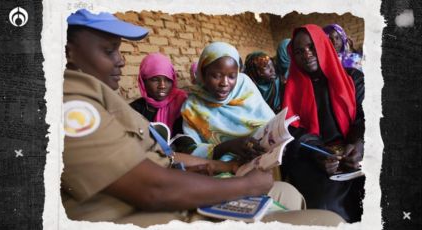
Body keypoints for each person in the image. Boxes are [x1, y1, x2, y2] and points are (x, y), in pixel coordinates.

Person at [62, 9, 345, 228]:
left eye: (119, 50)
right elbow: (152, 187)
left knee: (288, 193)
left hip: (185, 188)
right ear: (67, 52)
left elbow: (166, 158)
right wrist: (240, 183)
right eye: (109, 50)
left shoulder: (102, 99)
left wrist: (224, 167)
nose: (121, 60)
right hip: (162, 211)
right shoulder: (70, 103)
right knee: (330, 221)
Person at [281, 24, 365, 223]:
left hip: (352, 150)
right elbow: (291, 130)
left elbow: (365, 117)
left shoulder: (353, 78)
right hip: (313, 156)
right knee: (326, 205)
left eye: (312, 47)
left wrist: (358, 142)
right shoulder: (292, 90)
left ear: (323, 45)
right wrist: (317, 153)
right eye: (299, 51)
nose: (307, 54)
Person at [181, 42, 277, 162]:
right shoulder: (192, 106)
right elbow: (191, 151)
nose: (225, 83)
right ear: (203, 74)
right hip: (219, 170)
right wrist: (227, 147)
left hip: (261, 160)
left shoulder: (244, 86)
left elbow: (270, 123)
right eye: (216, 76)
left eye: (232, 76)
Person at [130, 53, 187, 136]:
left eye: (168, 80)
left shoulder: (184, 105)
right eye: (155, 80)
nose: (162, 86)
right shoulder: (134, 110)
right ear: (143, 82)